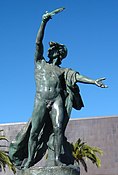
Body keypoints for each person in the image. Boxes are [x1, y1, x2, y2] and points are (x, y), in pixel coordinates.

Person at [9, 8, 107, 169]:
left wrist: (94, 81)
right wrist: (44, 22)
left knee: (58, 129)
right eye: (54, 49)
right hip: (41, 99)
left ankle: (57, 160)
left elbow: (77, 76)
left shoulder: (62, 71)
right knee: (34, 132)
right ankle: (28, 160)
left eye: (58, 50)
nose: (54, 51)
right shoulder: (40, 63)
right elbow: (38, 42)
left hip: (56, 100)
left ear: (60, 54)